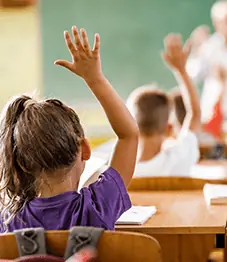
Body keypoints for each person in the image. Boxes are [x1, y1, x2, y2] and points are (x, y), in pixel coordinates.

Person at [0, 26, 139, 233]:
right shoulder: (97, 207)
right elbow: (129, 135)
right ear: (84, 149)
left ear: (22, 162)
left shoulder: (8, 221)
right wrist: (95, 79)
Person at [126, 34, 201, 177]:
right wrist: (181, 71)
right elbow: (195, 114)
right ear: (169, 129)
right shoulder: (179, 158)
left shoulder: (122, 171)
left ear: (131, 127)